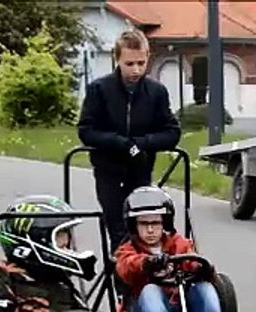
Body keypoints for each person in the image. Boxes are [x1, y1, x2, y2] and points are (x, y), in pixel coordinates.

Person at [77, 30, 182, 251]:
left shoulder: (156, 92)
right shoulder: (99, 89)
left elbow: (172, 132)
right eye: (129, 63)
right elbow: (86, 131)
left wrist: (142, 143)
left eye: (141, 63)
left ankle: (144, 274)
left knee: (142, 228)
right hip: (108, 169)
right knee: (118, 229)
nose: (135, 70)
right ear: (117, 60)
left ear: (148, 58)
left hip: (140, 169)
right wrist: (118, 142)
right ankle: (122, 276)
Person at [113, 186, 231, 312]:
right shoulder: (128, 250)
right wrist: (147, 263)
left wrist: (203, 270)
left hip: (182, 310)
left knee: (204, 287)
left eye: (156, 223)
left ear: (165, 223)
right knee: (151, 290)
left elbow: (195, 263)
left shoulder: (179, 244)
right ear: (134, 225)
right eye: (144, 224)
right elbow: (126, 268)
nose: (151, 230)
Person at [0, 195, 125, 312]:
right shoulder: (4, 272)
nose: (66, 242)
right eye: (60, 235)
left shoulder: (59, 276)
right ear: (35, 239)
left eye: (67, 235)